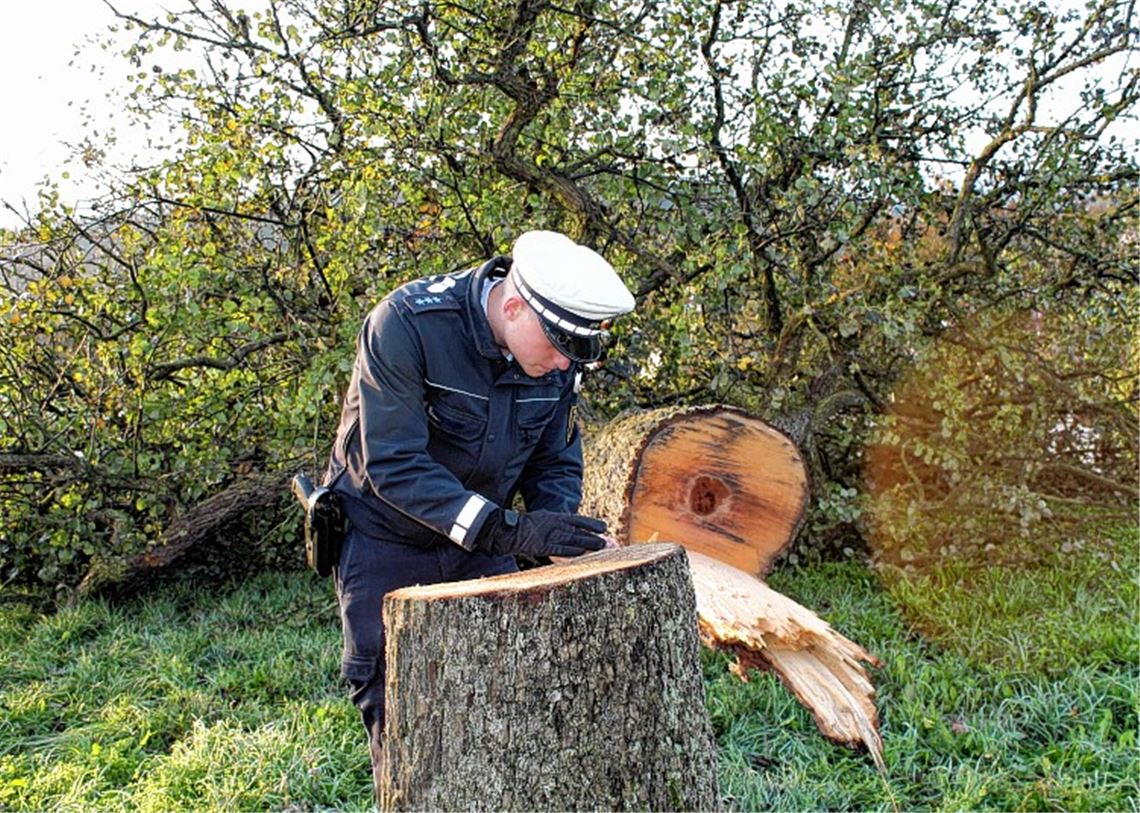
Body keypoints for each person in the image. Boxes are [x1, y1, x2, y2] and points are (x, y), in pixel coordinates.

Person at [322, 229, 636, 798]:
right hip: (384, 537)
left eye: (576, 351)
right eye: (559, 345)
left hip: (485, 540)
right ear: (512, 306)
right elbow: (394, 464)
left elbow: (555, 462)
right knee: (399, 702)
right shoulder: (408, 323)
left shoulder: (557, 357)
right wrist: (509, 530)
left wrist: (553, 531)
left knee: (510, 690)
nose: (566, 362)